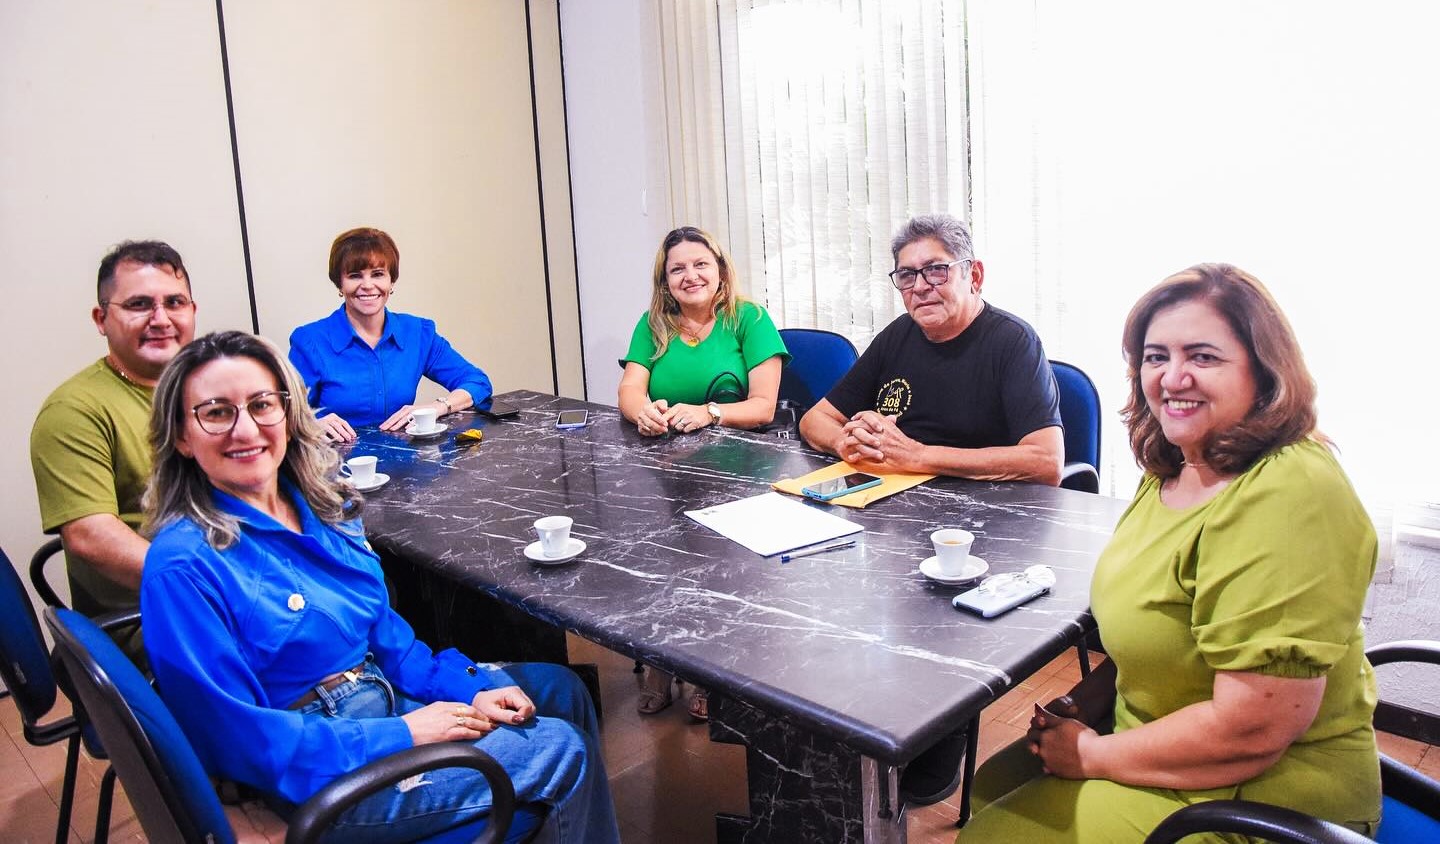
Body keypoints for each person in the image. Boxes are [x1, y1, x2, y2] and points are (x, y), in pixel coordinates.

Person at [139, 331, 619, 843]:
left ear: (289, 414)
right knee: (562, 749)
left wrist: (469, 689)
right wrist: (407, 733)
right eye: (216, 412)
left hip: (378, 695)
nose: (246, 428)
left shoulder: (324, 507)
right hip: (319, 774)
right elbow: (240, 741)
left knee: (562, 691)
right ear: (182, 437)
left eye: (262, 405)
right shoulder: (183, 565)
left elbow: (389, 640)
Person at [959, 264, 1381, 840]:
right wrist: (1088, 701)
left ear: (1264, 370)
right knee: (990, 785)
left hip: (1261, 794)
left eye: (1202, 357)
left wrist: (1091, 756)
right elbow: (1166, 630)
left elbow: (1254, 731)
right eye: (1156, 357)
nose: (1172, 377)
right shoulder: (1177, 464)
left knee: (990, 835)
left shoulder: (1290, 491)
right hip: (1165, 737)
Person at [617, 225, 789, 718]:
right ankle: (662, 659)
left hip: (740, 470)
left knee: (715, 567)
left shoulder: (749, 319)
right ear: (665, 281)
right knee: (654, 554)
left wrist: (709, 412)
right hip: (669, 469)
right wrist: (643, 413)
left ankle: (710, 671)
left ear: (720, 271)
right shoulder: (653, 324)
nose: (690, 275)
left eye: (700, 265)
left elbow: (763, 406)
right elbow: (630, 389)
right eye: (677, 269)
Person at [799, 214, 1064, 485]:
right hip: (893, 494)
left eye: (936, 270)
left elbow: (1046, 462)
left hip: (979, 500)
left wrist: (918, 456)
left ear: (974, 276)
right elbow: (814, 420)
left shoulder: (1014, 341)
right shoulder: (897, 335)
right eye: (907, 275)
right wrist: (844, 443)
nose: (920, 287)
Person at [30, 240, 197, 656]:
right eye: (139, 304)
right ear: (101, 318)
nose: (161, 319)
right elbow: (91, 537)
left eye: (174, 302)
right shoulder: (75, 410)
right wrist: (219, 587)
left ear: (192, 310)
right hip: (163, 619)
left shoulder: (206, 386)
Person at [288, 227, 492, 442]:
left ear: (391, 281)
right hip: (333, 459)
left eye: (378, 274)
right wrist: (311, 424)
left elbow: (477, 382)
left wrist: (437, 407)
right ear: (340, 284)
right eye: (355, 276)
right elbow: (283, 416)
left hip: (404, 458)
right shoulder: (309, 342)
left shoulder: (418, 333)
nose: (368, 286)